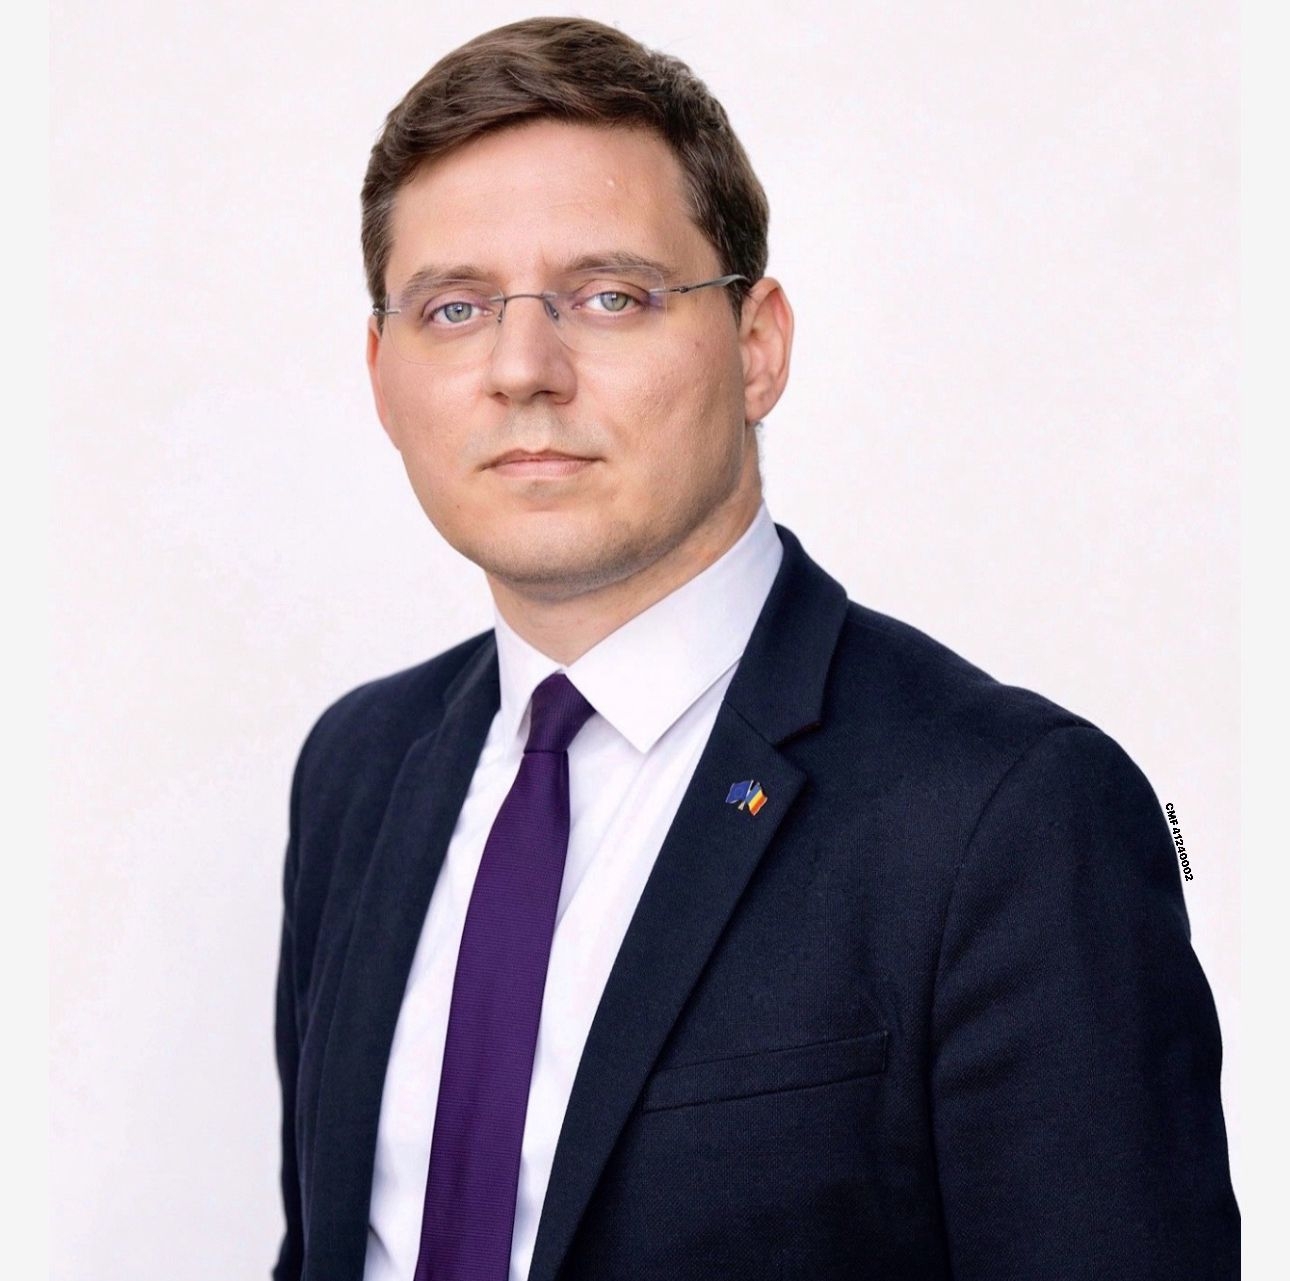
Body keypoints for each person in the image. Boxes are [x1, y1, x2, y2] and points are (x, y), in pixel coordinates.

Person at [272, 16, 1238, 1281]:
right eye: (454, 308)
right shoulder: (358, 769)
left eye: (609, 296)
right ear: (381, 371)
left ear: (756, 347)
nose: (523, 368)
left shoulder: (1008, 816)